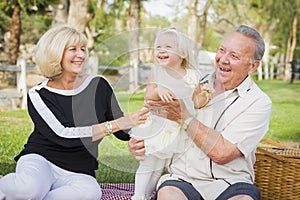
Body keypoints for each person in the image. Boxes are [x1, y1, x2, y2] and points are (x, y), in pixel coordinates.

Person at [0, 25, 149, 200]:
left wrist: (136, 135)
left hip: (79, 169)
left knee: (90, 193)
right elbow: (64, 136)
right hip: (41, 160)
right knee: (28, 190)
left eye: (83, 49)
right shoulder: (38, 94)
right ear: (56, 53)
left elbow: (121, 127)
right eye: (73, 49)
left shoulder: (99, 85)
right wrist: (116, 125)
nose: (81, 55)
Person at [128, 24, 272, 200]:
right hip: (182, 180)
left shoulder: (258, 102)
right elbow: (155, 112)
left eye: (234, 56)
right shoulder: (193, 80)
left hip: (231, 183)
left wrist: (184, 117)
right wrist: (143, 141)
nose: (223, 59)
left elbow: (222, 153)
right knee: (168, 195)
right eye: (222, 50)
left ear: (252, 66)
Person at [130, 27, 211, 200]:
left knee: (159, 168)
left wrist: (205, 95)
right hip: (157, 126)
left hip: (176, 129)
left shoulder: (192, 75)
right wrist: (159, 89)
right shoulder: (157, 72)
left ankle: (148, 194)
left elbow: (196, 102)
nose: (161, 50)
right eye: (158, 46)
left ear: (182, 53)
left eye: (168, 47)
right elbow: (148, 95)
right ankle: (137, 196)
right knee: (148, 164)